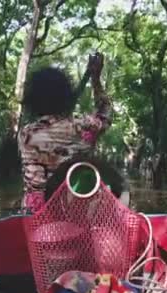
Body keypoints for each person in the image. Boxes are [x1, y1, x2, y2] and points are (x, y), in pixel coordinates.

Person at [18, 52, 112, 213]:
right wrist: (95, 79)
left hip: (37, 215)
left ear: (33, 99)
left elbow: (37, 184)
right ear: (65, 96)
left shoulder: (26, 134)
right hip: (78, 212)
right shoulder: (83, 125)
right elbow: (105, 114)